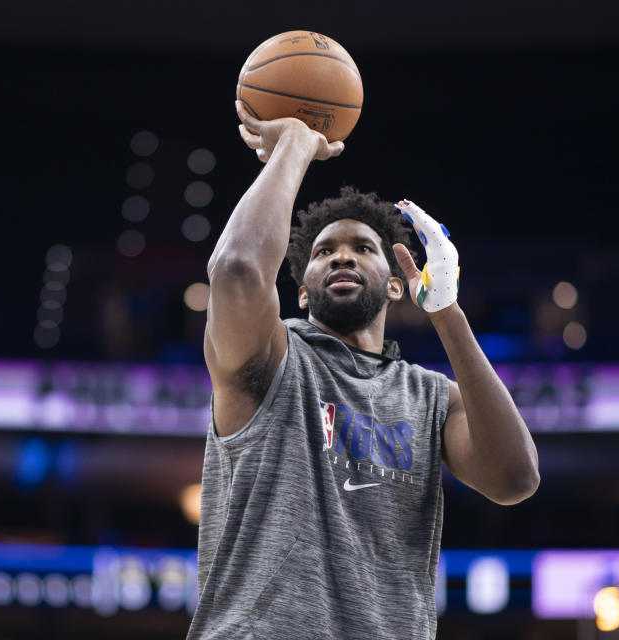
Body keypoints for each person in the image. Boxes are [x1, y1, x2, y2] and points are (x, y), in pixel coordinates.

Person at [185, 102, 540, 639]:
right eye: (324, 251)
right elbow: (235, 268)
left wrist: (447, 314)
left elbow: (515, 479)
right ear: (302, 290)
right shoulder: (271, 357)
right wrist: (297, 147)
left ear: (397, 283)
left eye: (363, 248)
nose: (342, 257)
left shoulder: (431, 397)